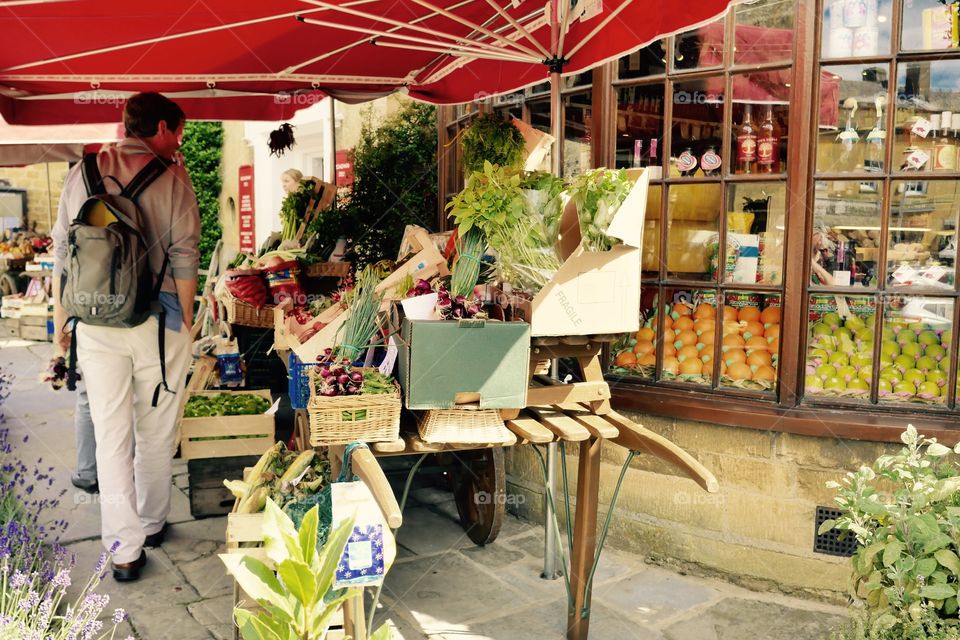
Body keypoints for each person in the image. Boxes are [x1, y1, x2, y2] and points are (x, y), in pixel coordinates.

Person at [52, 92, 200, 582]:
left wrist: (62, 323)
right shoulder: (174, 175)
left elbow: (63, 253)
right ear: (160, 127)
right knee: (154, 429)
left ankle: (123, 550)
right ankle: (154, 522)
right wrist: (189, 317)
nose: (179, 142)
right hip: (159, 323)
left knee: (112, 436)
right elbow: (185, 255)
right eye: (176, 132)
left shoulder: (83, 171)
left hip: (94, 323)